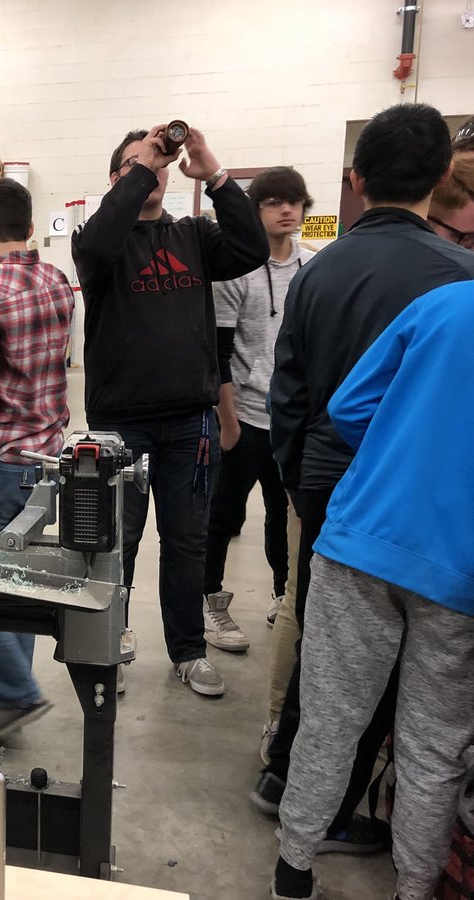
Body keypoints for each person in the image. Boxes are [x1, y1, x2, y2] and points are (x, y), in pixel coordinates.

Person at [258, 102, 474, 877]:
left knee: (325, 679)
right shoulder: (456, 276)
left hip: (339, 502)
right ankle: (409, 876)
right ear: (445, 177)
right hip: (450, 542)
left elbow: (297, 396)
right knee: (430, 728)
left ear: (354, 180)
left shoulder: (321, 271)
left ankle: (289, 837)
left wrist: (300, 477)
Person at [71, 122, 267, 697]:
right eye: (136, 164)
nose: (151, 171)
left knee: (186, 541)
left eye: (159, 164)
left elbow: (251, 248)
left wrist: (217, 175)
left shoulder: (195, 236)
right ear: (117, 179)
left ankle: (187, 651)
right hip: (121, 422)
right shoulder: (97, 243)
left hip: (190, 421)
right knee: (117, 540)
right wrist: (141, 168)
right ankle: (114, 639)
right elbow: (104, 240)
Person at [0, 177, 75, 738]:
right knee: (14, 576)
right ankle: (10, 686)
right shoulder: (58, 279)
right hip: (46, 460)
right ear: (29, 228)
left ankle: (14, 692)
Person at [204, 167, 316, 653]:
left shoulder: (312, 268)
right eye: (273, 202)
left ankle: (281, 593)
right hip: (242, 417)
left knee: (283, 514)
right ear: (256, 210)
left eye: (293, 201)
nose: (286, 210)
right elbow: (218, 351)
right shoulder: (236, 270)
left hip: (291, 419)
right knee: (221, 515)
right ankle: (209, 599)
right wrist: (227, 421)